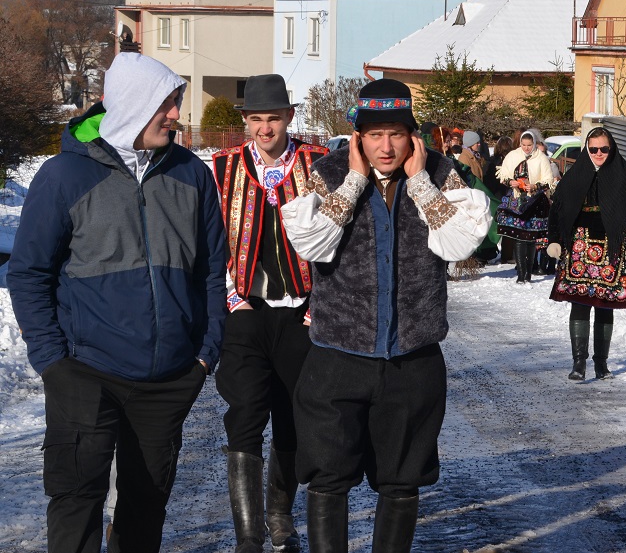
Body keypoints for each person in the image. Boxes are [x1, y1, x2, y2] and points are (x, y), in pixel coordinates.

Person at [6, 52, 227, 553]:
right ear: (133, 104)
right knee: (76, 499)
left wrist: (203, 354)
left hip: (169, 378)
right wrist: (53, 361)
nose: (176, 115)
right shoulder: (64, 176)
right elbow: (28, 273)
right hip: (85, 373)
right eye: (166, 104)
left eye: (175, 103)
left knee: (146, 506)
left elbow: (212, 272)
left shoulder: (192, 175)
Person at [280, 78, 491, 552]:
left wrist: (421, 185)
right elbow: (311, 244)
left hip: (412, 358)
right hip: (338, 355)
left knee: (401, 479)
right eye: (375, 135)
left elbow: (460, 244)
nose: (386, 147)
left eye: (396, 133)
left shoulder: (440, 173)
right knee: (327, 476)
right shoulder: (329, 171)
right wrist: (354, 183)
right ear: (358, 136)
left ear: (412, 135)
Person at [212, 74, 328, 553]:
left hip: (301, 313)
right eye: (256, 119)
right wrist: (231, 298)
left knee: (293, 416)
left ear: (289, 117)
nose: (265, 128)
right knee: (244, 413)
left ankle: (280, 515)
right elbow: (210, 240)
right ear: (245, 121)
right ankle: (248, 535)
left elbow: (340, 241)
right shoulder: (223, 167)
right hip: (247, 311)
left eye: (274, 118)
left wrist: (320, 303)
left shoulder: (319, 164)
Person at [546, 127, 626, 380]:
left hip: (614, 245)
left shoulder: (625, 176)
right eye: (593, 149)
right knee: (580, 302)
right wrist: (554, 240)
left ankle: (601, 364)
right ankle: (578, 363)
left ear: (611, 148)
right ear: (587, 149)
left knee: (606, 304)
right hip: (579, 246)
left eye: (603, 149)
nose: (598, 153)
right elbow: (557, 210)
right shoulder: (574, 176)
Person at [496, 129, 554, 282]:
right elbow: (503, 175)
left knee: (531, 238)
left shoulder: (541, 157)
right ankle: (521, 274)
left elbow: (548, 180)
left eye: (529, 145)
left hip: (535, 202)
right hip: (517, 200)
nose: (526, 148)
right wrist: (511, 182)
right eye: (524, 145)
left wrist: (535, 186)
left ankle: (528, 272)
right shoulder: (512, 155)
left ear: (534, 143)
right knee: (519, 236)